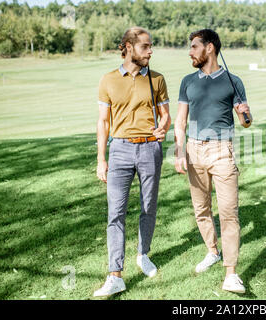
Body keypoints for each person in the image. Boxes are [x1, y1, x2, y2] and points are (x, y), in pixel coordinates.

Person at [174, 29, 252, 294]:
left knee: (229, 212)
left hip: (222, 151)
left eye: (194, 46)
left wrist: (245, 114)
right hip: (194, 150)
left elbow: (246, 122)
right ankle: (212, 251)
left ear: (209, 48)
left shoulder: (233, 81)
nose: (190, 52)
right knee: (201, 208)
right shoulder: (187, 81)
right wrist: (178, 150)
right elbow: (180, 120)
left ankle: (231, 273)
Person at [94, 27, 171, 297]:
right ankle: (115, 274)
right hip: (120, 151)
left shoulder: (157, 79)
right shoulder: (108, 80)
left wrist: (162, 128)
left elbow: (166, 116)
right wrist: (101, 159)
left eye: (151, 46)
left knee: (148, 206)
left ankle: (143, 254)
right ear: (128, 47)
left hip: (150, 149)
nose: (150, 51)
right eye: (145, 46)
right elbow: (103, 122)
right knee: (115, 212)